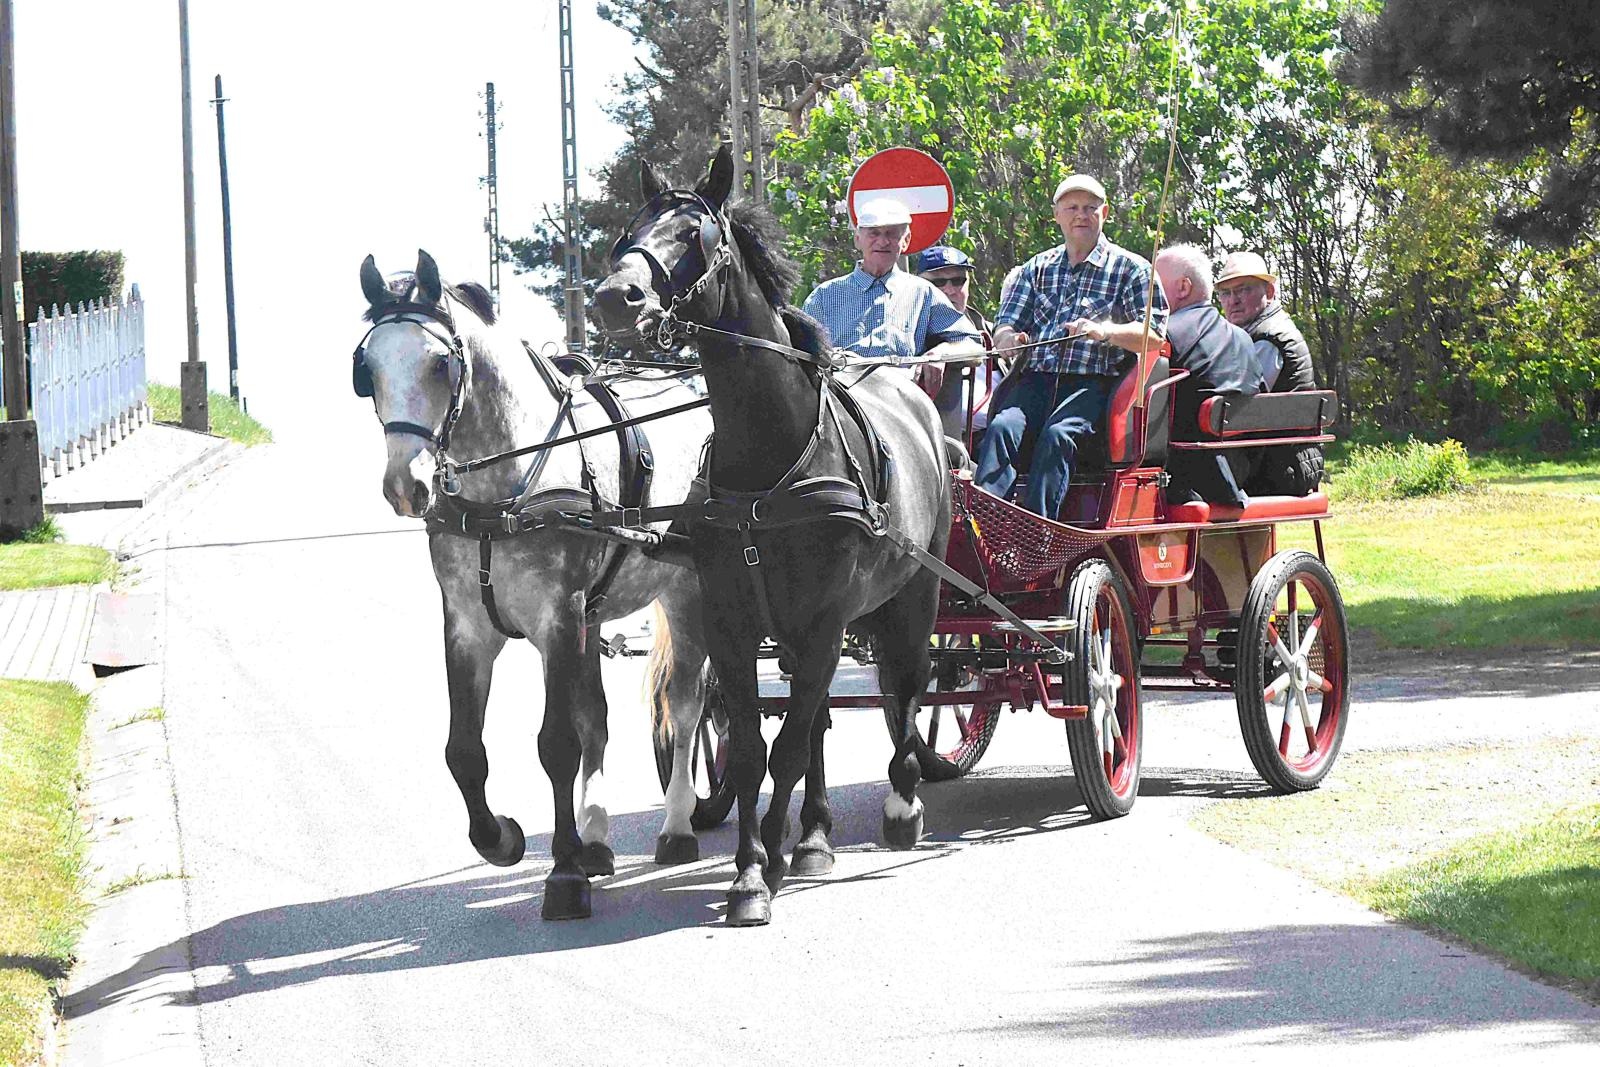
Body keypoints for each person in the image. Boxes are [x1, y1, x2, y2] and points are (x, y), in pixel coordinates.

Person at [975, 174, 1168, 520]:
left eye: (1090, 208)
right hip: (1036, 380)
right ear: (1057, 215)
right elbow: (1006, 324)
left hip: (1094, 385)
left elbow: (1153, 334)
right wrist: (1008, 341)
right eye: (1072, 208)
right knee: (1002, 427)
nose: (1081, 215)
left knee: (1058, 436)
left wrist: (1104, 332)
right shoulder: (1037, 268)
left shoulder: (1132, 269)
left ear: (1104, 213)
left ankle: (1036, 531)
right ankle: (985, 523)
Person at [801, 199, 984, 400]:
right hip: (841, 399)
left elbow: (974, 347)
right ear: (857, 239)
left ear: (906, 240)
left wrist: (941, 354)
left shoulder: (922, 293)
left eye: (891, 234)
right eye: (874, 233)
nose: (882, 242)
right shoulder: (824, 296)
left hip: (900, 400)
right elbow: (799, 355)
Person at [1153, 244, 1266, 507]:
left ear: (1183, 287)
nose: (1147, 295)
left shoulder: (1164, 336)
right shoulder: (1243, 339)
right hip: (1243, 472)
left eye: (1153, 286)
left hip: (1185, 479)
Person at [1215, 250, 1323, 495]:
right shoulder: (1259, 332)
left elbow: (1243, 409)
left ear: (1270, 292)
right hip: (1282, 461)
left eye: (1243, 290)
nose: (1233, 301)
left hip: (1280, 468)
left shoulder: (1268, 339)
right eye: (1225, 293)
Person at [913, 244, 1008, 442]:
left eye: (958, 281)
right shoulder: (909, 333)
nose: (949, 290)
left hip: (998, 435)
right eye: (938, 282)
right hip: (938, 444)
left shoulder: (993, 332)